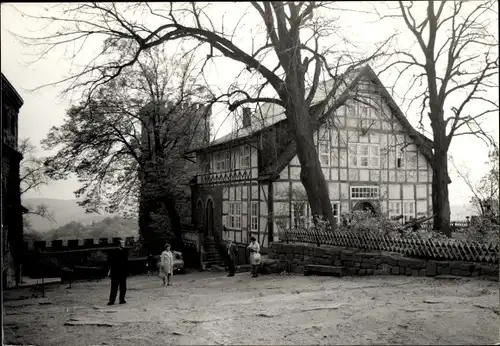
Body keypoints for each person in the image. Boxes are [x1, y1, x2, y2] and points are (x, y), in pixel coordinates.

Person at [107, 239, 129, 305]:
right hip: (122, 273)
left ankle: (111, 301)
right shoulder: (124, 252)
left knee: (114, 288)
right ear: (119, 244)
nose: (123, 244)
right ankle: (121, 300)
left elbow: (109, 263)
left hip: (114, 273)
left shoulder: (112, 252)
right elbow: (126, 263)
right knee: (123, 287)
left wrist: (110, 272)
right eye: (122, 243)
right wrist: (127, 272)